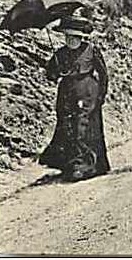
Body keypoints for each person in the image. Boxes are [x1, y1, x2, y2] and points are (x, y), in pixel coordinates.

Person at [39, 15, 111, 181]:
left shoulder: (91, 50)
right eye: (67, 37)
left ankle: (85, 165)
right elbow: (50, 75)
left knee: (83, 127)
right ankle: (69, 164)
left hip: (87, 92)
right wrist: (55, 70)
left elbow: (103, 74)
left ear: (80, 37)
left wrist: (101, 94)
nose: (70, 40)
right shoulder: (60, 53)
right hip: (66, 93)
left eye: (73, 37)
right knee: (67, 126)